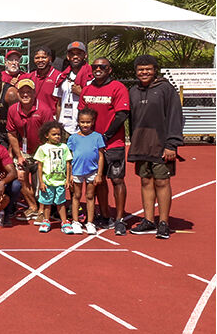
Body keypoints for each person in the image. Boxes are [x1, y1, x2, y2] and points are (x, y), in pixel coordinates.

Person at [126, 54, 183, 239]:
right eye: (140, 70)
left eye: (148, 69)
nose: (144, 72)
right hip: (141, 144)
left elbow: (175, 116)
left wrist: (172, 144)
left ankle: (164, 223)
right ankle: (149, 220)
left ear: (155, 70)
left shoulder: (166, 89)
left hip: (161, 144)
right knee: (145, 181)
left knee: (162, 182)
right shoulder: (133, 91)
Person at [78, 57, 131, 235]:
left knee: (117, 180)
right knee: (98, 181)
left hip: (113, 143)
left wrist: (106, 136)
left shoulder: (118, 87)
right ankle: (105, 215)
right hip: (92, 144)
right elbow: (82, 114)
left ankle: (120, 219)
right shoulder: (87, 89)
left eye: (102, 66)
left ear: (109, 69)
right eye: (95, 66)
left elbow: (122, 115)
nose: (98, 69)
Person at [6, 79, 56, 219]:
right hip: (23, 150)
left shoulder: (44, 109)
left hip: (42, 151)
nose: (25, 95)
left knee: (40, 182)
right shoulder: (12, 109)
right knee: (20, 176)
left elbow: (51, 134)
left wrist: (43, 156)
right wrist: (18, 155)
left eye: (28, 92)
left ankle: (42, 210)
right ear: (18, 94)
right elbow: (11, 133)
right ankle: (33, 206)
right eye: (22, 92)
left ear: (34, 93)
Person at [67, 109, 106, 234]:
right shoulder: (73, 138)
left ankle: (90, 222)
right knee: (76, 196)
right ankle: (75, 222)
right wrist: (70, 175)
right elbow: (69, 158)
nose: (85, 125)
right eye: (82, 122)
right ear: (78, 122)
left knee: (90, 196)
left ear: (93, 122)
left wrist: (99, 174)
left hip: (92, 171)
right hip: (77, 171)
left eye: (88, 122)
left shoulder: (97, 137)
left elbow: (101, 156)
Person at [33, 120, 73, 233]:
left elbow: (68, 164)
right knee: (47, 203)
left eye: (59, 134)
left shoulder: (64, 147)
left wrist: (68, 179)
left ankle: (64, 221)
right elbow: (40, 166)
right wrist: (41, 182)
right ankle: (46, 220)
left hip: (60, 181)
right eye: (54, 134)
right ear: (47, 135)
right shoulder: (42, 148)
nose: (57, 137)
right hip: (47, 181)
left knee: (61, 202)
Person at [19, 47, 64, 117]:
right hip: (32, 117)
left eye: (43, 57)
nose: (40, 60)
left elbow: (61, 102)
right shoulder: (29, 77)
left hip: (51, 117)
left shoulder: (59, 76)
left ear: (50, 59)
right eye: (37, 58)